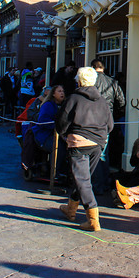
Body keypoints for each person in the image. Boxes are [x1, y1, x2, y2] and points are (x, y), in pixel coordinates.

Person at [55, 67, 114, 232]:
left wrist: (65, 134)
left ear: (79, 81)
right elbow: (110, 125)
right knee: (83, 179)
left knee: (83, 180)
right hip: (98, 144)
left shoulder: (73, 99)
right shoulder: (102, 101)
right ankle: (71, 209)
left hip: (78, 142)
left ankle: (93, 220)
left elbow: (61, 122)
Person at [90, 59, 125, 193]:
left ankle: (97, 185)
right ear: (103, 68)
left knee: (95, 153)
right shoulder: (112, 82)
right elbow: (122, 101)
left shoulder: (91, 81)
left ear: (92, 68)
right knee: (104, 152)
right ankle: (105, 182)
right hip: (107, 119)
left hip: (91, 119)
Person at [32, 85, 64, 153]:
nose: (62, 93)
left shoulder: (64, 105)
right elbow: (43, 121)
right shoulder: (48, 105)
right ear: (53, 94)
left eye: (63, 91)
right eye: (59, 91)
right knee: (59, 148)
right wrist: (57, 126)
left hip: (57, 134)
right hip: (44, 135)